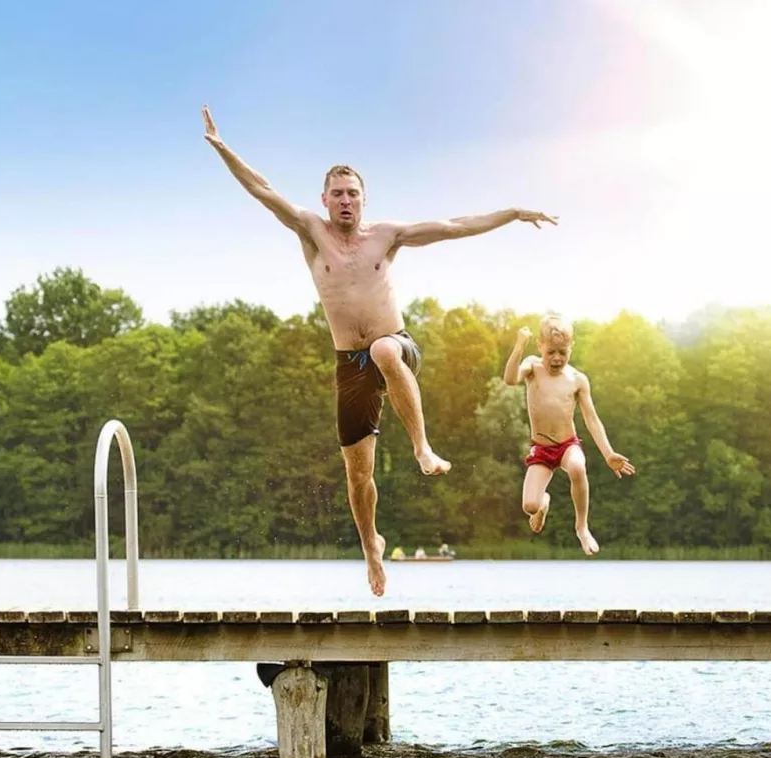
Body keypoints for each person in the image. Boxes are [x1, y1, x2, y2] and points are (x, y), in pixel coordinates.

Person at [203, 105, 557, 595]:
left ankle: (422, 447)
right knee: (358, 475)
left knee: (385, 353)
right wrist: (223, 149)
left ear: (364, 200)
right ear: (324, 199)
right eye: (338, 194)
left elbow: (454, 224)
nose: (345, 202)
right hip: (349, 363)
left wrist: (512, 214)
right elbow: (263, 190)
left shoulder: (386, 236)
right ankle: (372, 545)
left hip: (397, 346)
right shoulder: (311, 231)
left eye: (353, 194)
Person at [502, 316, 635, 555]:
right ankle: (543, 504)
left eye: (562, 352)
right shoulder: (532, 367)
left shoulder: (577, 380)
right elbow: (510, 379)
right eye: (550, 351)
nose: (556, 358)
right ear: (540, 346)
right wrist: (519, 346)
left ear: (571, 348)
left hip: (567, 445)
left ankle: (581, 528)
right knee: (529, 506)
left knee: (576, 467)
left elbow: (591, 419)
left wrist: (607, 453)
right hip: (541, 450)